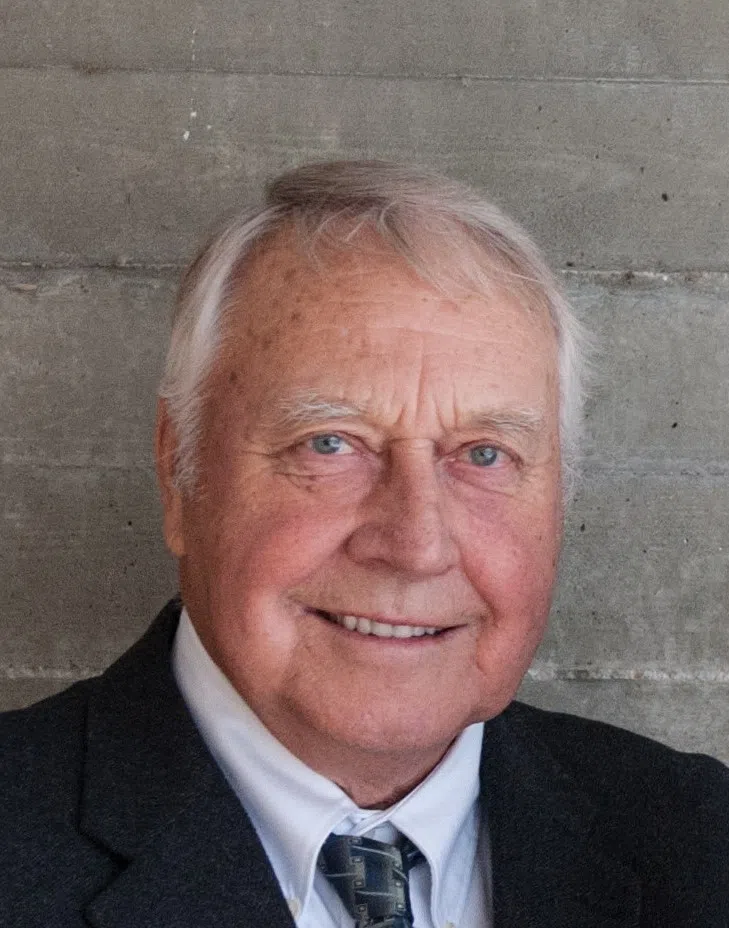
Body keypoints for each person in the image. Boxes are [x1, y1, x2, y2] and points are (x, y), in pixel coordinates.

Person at [1, 161, 728, 928]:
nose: (415, 545)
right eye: (329, 444)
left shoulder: (699, 842)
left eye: (483, 454)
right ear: (177, 472)